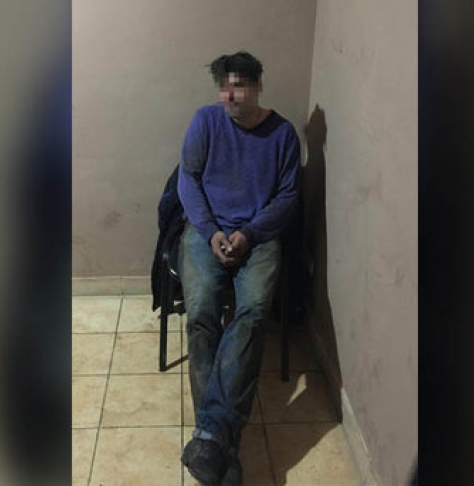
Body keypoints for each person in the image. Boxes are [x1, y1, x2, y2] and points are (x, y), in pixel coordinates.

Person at [178, 51, 301, 485]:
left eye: (240, 86)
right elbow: (188, 179)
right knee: (202, 315)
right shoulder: (206, 121)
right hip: (205, 232)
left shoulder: (283, 134)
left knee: (252, 315)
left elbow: (287, 197)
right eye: (224, 87)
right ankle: (220, 444)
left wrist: (247, 235)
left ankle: (209, 437)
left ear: (258, 86)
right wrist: (211, 231)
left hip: (258, 236)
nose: (230, 96)